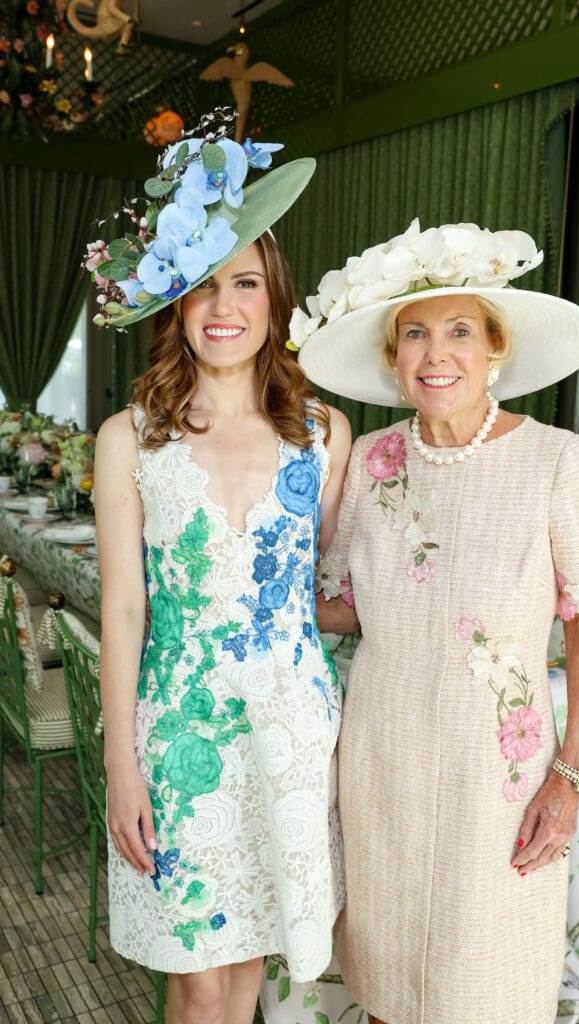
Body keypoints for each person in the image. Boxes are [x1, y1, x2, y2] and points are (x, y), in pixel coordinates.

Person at [290, 220, 579, 1024]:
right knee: (389, 979)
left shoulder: (557, 459)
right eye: (415, 335)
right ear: (392, 359)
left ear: (493, 348)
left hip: (498, 772)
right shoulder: (367, 459)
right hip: (381, 755)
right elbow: (345, 606)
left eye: (460, 331)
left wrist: (570, 775)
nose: (437, 354)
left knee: (487, 983)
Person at [88, 111, 351, 1024]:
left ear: (274, 299)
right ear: (173, 302)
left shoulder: (323, 434)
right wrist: (120, 759)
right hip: (179, 731)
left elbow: (320, 592)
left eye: (245, 282)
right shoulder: (131, 439)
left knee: (252, 959)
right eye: (202, 286)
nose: (224, 306)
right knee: (197, 970)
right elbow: (123, 609)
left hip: (291, 724)